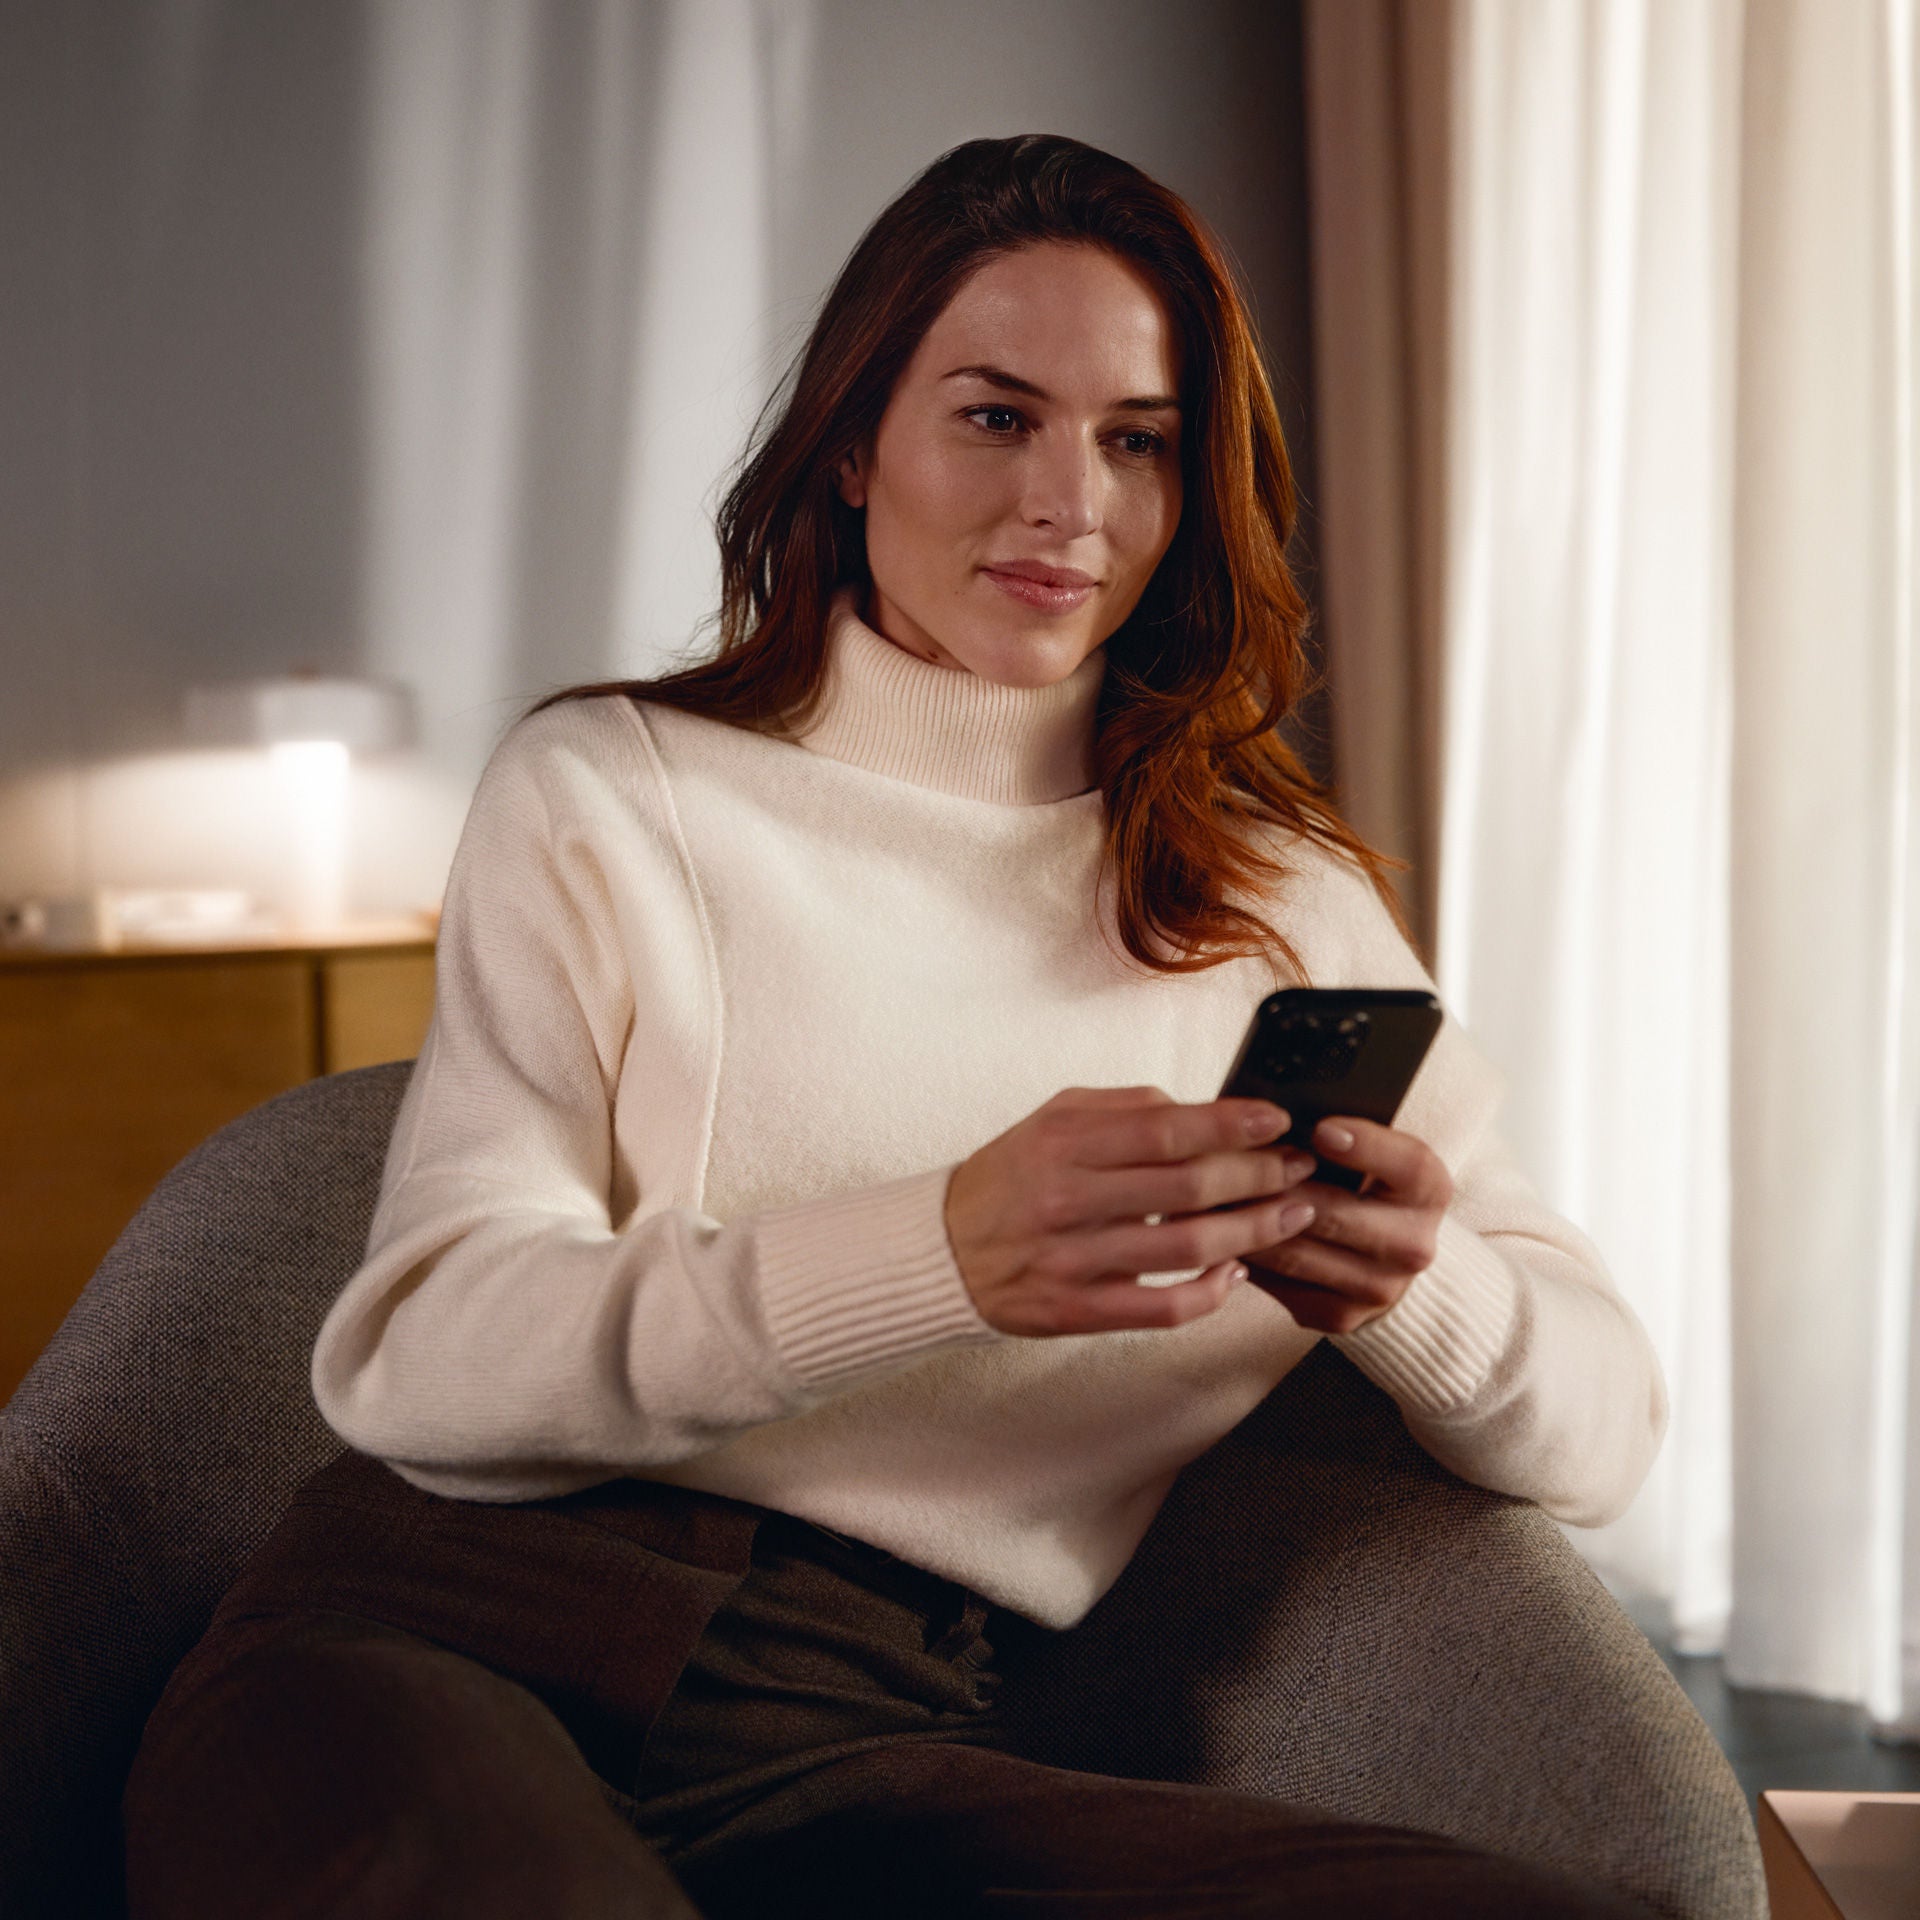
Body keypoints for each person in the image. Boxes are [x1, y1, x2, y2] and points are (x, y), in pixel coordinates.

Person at [121, 134, 1667, 1919]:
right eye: (997, 417)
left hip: (856, 1739)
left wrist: (1413, 1286)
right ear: (856, 445)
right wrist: (939, 1252)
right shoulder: (613, 795)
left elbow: (1604, 1429)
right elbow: (419, 1357)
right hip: (425, 1645)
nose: (1069, 503)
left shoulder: (1282, 900)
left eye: (1137, 439)